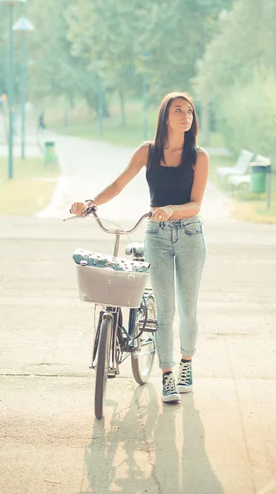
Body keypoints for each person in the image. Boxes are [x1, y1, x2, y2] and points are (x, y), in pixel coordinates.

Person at [70, 92, 209, 403]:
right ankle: (167, 375)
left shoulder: (199, 157)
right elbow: (118, 185)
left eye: (189, 111)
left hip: (189, 234)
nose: (186, 115)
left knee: (188, 309)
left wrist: (172, 210)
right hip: (156, 236)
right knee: (165, 310)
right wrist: (90, 203)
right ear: (165, 116)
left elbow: (196, 205)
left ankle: (187, 364)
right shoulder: (147, 152)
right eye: (178, 110)